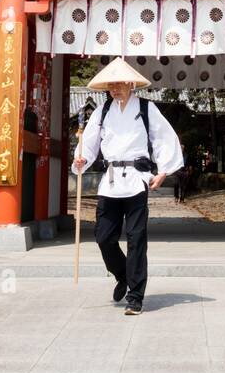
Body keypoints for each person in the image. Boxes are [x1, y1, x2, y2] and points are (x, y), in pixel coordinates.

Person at [71, 57, 184, 315]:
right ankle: (122, 274)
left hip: (136, 179)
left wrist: (163, 171)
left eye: (120, 83)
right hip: (109, 182)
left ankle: (135, 297)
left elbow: (165, 138)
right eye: (111, 84)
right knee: (103, 238)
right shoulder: (102, 112)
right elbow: (88, 144)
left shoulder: (146, 108)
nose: (115, 88)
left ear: (131, 84)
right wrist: (81, 159)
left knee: (136, 239)